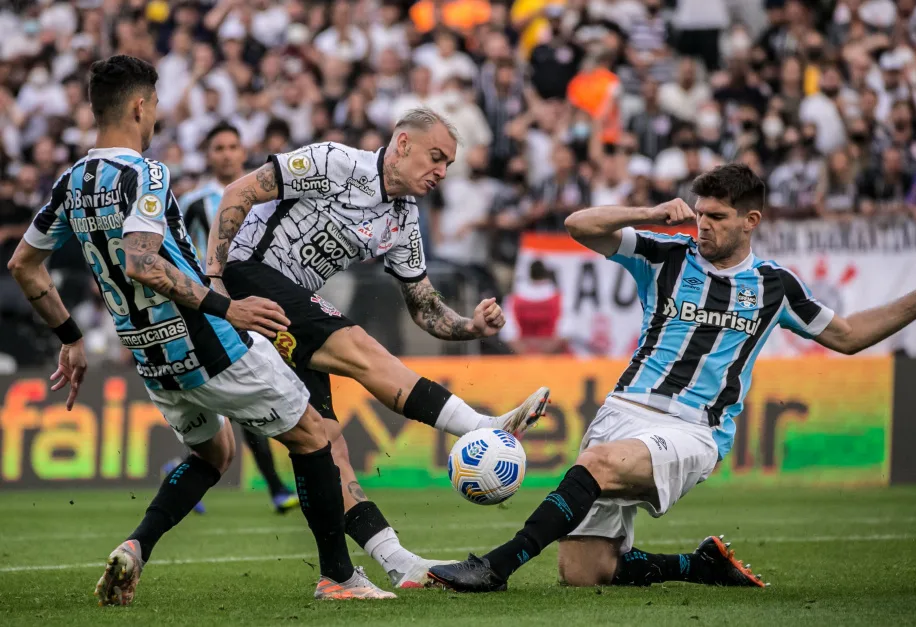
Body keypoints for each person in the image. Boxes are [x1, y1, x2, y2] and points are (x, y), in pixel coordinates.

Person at [430, 163, 916, 591]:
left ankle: (497, 566)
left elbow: (848, 335)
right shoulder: (666, 255)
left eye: (717, 217)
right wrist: (649, 212)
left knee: (600, 464)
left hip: (694, 429)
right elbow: (578, 224)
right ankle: (699, 565)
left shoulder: (774, 286)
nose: (704, 226)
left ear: (751, 220)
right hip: (622, 411)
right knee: (585, 573)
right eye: (700, 214)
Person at [6, 55, 394, 604]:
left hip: (149, 356)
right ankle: (339, 576)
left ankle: (134, 548)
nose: (157, 114)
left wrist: (70, 337)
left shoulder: (71, 182)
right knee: (316, 436)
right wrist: (226, 308)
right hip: (207, 339)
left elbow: (23, 264)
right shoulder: (146, 173)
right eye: (157, 104)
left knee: (215, 455)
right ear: (141, 105)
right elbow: (143, 261)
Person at [204, 106, 551, 589]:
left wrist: (471, 326)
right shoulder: (334, 162)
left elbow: (424, 306)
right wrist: (215, 278)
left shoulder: (404, 220)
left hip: (287, 310)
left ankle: (386, 565)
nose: (441, 172)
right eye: (436, 157)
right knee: (360, 347)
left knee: (326, 444)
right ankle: (482, 426)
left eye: (448, 164)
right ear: (402, 144)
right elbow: (239, 191)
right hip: (249, 275)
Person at [176, 121, 299, 514]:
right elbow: (183, 255)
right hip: (219, 308)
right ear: (209, 155)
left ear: (243, 151)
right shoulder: (195, 203)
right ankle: (279, 488)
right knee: (249, 390)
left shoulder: (265, 196)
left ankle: (184, 468)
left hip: (263, 301)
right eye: (219, 148)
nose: (227, 154)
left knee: (252, 393)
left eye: (233, 146)